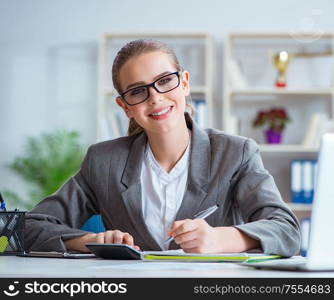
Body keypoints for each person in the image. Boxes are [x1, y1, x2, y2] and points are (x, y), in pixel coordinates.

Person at [25, 39, 301, 256]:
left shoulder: (235, 153)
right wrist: (90, 241)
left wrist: (221, 238)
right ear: (125, 107)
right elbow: (30, 226)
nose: (155, 98)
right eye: (137, 91)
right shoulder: (104, 161)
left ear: (185, 83)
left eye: (165, 81)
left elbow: (286, 231)